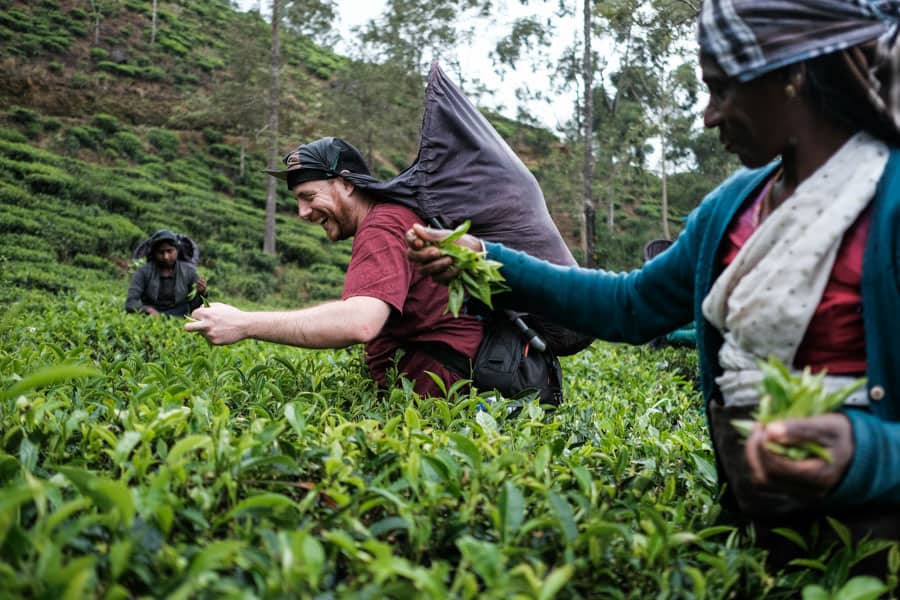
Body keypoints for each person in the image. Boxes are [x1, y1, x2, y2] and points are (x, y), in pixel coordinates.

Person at [408, 0, 900, 552]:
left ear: (793, 77)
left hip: (877, 538)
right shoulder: (733, 207)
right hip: (760, 525)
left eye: (722, 89)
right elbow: (631, 305)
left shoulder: (890, 199)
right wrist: (491, 260)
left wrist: (868, 452)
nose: (709, 115)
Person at [184, 137, 485, 398]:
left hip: (434, 394)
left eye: (309, 196)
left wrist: (244, 323)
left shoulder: (382, 226)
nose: (302, 212)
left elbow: (360, 322)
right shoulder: (392, 218)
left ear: (346, 184)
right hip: (431, 384)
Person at [125, 229, 207, 317]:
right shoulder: (143, 271)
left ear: (177, 250)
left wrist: (202, 293)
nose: (166, 257)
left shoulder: (189, 272)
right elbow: (130, 303)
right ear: (154, 253)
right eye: (161, 252)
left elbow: (196, 306)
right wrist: (147, 310)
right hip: (150, 316)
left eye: (169, 251)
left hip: (180, 315)